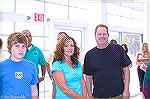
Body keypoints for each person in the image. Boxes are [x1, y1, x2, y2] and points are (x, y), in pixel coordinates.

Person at [84, 24, 131, 98]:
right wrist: (89, 95)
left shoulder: (118, 49)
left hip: (119, 95)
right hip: (98, 96)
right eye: (99, 34)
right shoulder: (89, 55)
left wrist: (126, 90)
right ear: (95, 35)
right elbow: (88, 78)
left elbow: (126, 69)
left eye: (104, 34)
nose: (102, 36)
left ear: (108, 35)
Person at [0, 32, 38, 99]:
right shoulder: (2, 66)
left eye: (23, 46)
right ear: (10, 48)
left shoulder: (32, 66)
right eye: (17, 46)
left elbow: (34, 90)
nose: (21, 50)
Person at [22, 30, 49, 95]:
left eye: (30, 36)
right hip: (21, 81)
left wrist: (42, 76)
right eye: (26, 36)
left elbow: (43, 64)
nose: (28, 38)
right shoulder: (19, 50)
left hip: (34, 81)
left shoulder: (37, 50)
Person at [46, 32, 69, 99]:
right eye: (58, 38)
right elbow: (46, 63)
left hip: (69, 81)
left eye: (62, 38)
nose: (59, 40)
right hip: (56, 81)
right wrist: (50, 75)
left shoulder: (71, 51)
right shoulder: (53, 51)